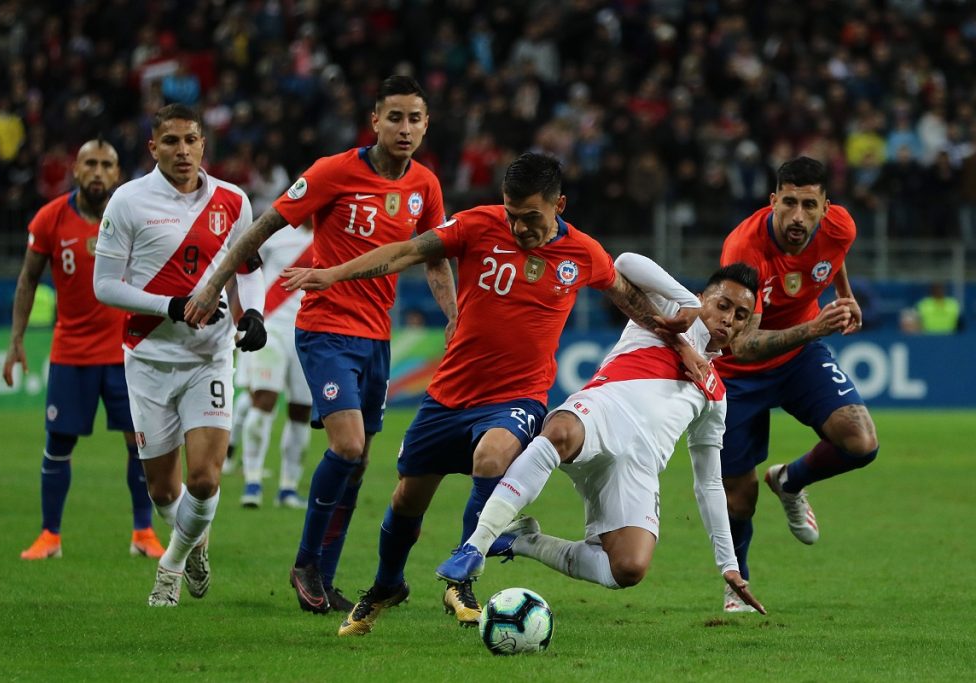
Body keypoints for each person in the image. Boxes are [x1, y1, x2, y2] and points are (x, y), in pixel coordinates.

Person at [281, 152, 683, 636]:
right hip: (450, 392)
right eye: (512, 214)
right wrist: (334, 273)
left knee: (492, 458)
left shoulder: (582, 253)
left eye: (531, 217)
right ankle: (387, 584)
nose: (519, 227)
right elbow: (405, 252)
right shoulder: (475, 225)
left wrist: (681, 343)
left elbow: (627, 296)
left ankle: (463, 573)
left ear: (559, 204)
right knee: (408, 498)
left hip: (518, 396)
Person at [184, 76, 457, 615]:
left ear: (426, 125)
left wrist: (455, 319)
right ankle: (306, 561)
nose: (405, 129)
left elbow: (434, 257)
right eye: (395, 117)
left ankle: (324, 579)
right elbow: (263, 226)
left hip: (377, 337)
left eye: (415, 119)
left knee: (359, 463)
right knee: (349, 446)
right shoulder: (334, 171)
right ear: (374, 120)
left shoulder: (425, 185)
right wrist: (215, 284)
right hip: (326, 328)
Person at [435, 259, 765, 617]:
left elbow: (709, 482)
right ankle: (475, 547)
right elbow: (624, 263)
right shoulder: (668, 310)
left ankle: (521, 540)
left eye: (741, 315)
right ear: (702, 299)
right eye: (722, 305)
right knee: (560, 430)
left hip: (638, 467)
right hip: (603, 414)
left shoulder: (715, 394)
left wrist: (728, 563)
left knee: (627, 569)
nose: (729, 318)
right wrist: (685, 307)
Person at [92, 103, 267, 607]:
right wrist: (169, 305)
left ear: (203, 144)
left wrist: (250, 313)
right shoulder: (127, 201)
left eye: (191, 140)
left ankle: (169, 567)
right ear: (153, 147)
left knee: (206, 477)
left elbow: (248, 266)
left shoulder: (233, 202)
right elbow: (104, 285)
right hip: (147, 357)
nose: (183, 151)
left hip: (208, 357)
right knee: (164, 491)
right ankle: (190, 543)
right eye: (171, 141)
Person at [714, 156, 879, 613]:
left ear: (827, 207)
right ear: (773, 201)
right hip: (739, 372)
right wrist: (814, 328)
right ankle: (738, 587)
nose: (798, 216)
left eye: (810, 205)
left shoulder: (841, 227)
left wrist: (844, 295)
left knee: (860, 441)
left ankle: (789, 481)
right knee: (739, 496)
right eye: (789, 203)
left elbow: (833, 257)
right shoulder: (744, 249)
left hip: (800, 356)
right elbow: (741, 344)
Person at [3, 139, 165, 562]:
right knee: (58, 443)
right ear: (75, 170)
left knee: (140, 443)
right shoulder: (51, 217)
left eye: (106, 164)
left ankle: (143, 531)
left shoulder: (134, 214)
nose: (97, 172)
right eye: (89, 164)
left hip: (127, 353)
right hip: (71, 353)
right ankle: (49, 536)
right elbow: (27, 280)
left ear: (117, 172)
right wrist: (16, 340)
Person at [238, 223, 315, 510]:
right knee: (263, 401)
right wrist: (242, 319)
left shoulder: (330, 235)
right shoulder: (275, 233)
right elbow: (247, 276)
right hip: (271, 329)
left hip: (308, 332)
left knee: (300, 411)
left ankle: (288, 488)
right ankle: (253, 481)